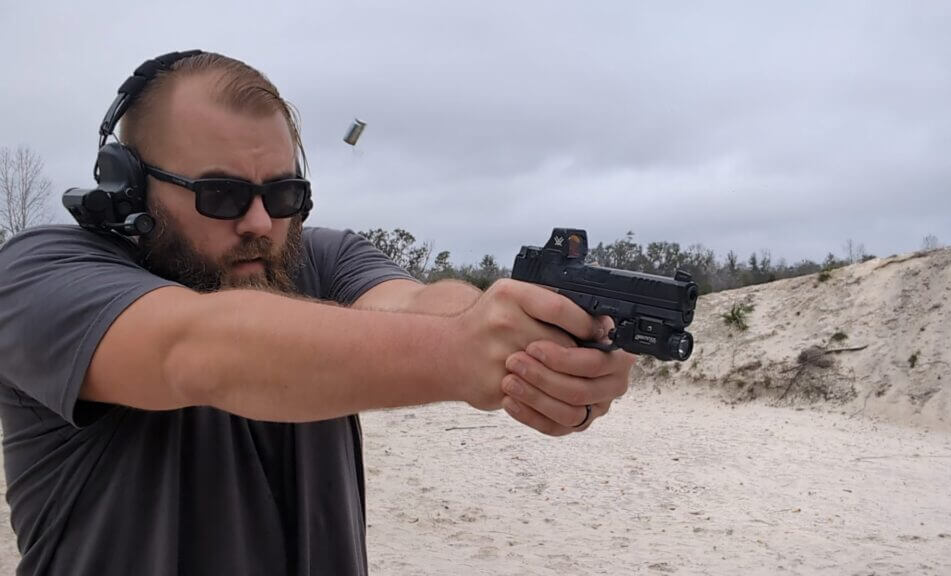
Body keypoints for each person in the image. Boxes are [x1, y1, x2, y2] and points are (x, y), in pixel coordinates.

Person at [0, 50, 635, 575]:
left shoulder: (316, 256)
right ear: (129, 188)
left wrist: (528, 343)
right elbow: (193, 350)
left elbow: (418, 308)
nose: (259, 223)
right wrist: (462, 354)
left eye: (283, 193)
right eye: (220, 195)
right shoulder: (41, 275)